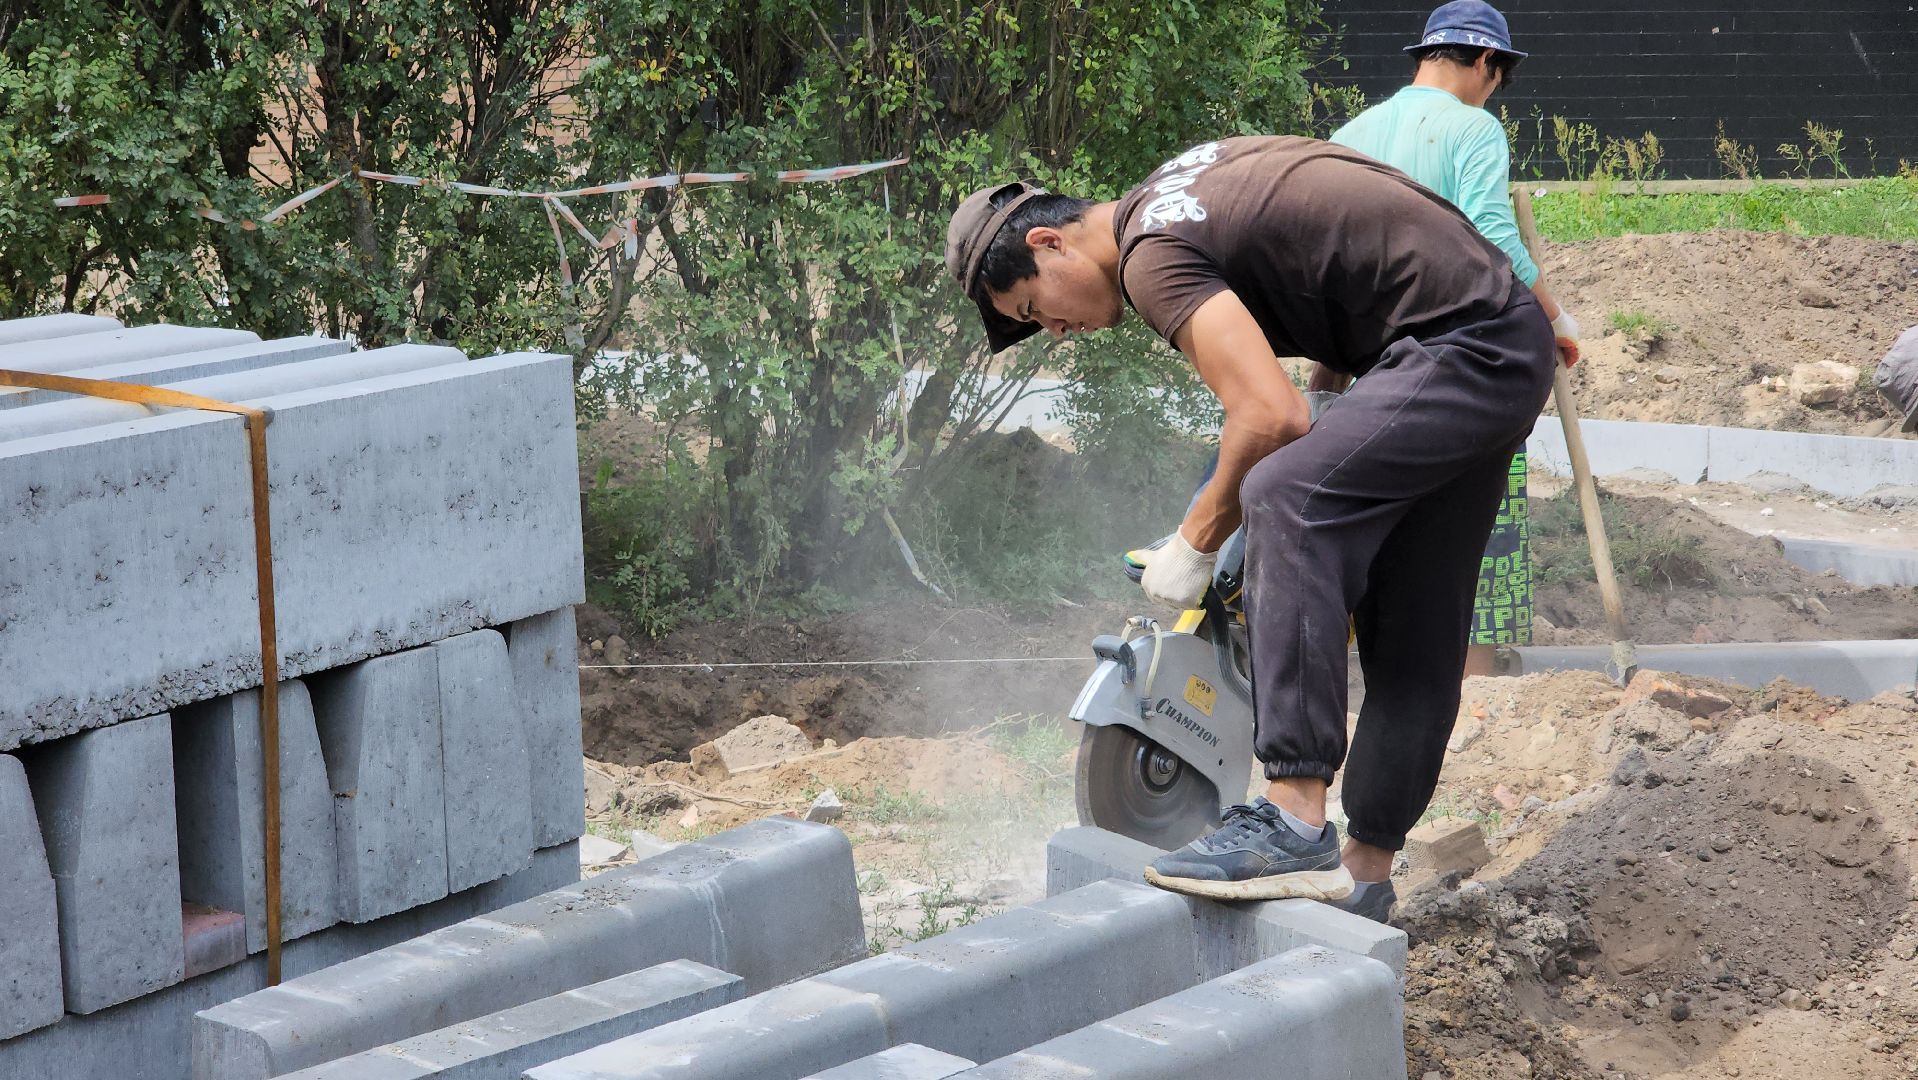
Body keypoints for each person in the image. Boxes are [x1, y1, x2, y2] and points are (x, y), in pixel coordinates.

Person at [943, 136, 1556, 913]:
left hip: (1458, 344)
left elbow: (1271, 416)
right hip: (1490, 335)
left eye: (1037, 309)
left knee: (1287, 497)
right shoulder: (1176, 187)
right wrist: (1338, 401)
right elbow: (1339, 272)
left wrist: (1194, 541)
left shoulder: (1148, 254)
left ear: (1048, 241)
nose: (1055, 331)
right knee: (1413, 620)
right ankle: (1364, 877)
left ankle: (1292, 820)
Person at [1330, 0, 1582, 688]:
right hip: (1461, 362)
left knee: (1375, 523)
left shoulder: (1348, 134)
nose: (1494, 89)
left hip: (1369, 367)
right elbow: (1491, 236)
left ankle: (1372, 684)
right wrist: (1555, 319)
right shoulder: (1472, 128)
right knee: (1479, 533)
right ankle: (1473, 700)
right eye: (1497, 75)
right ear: (1482, 63)